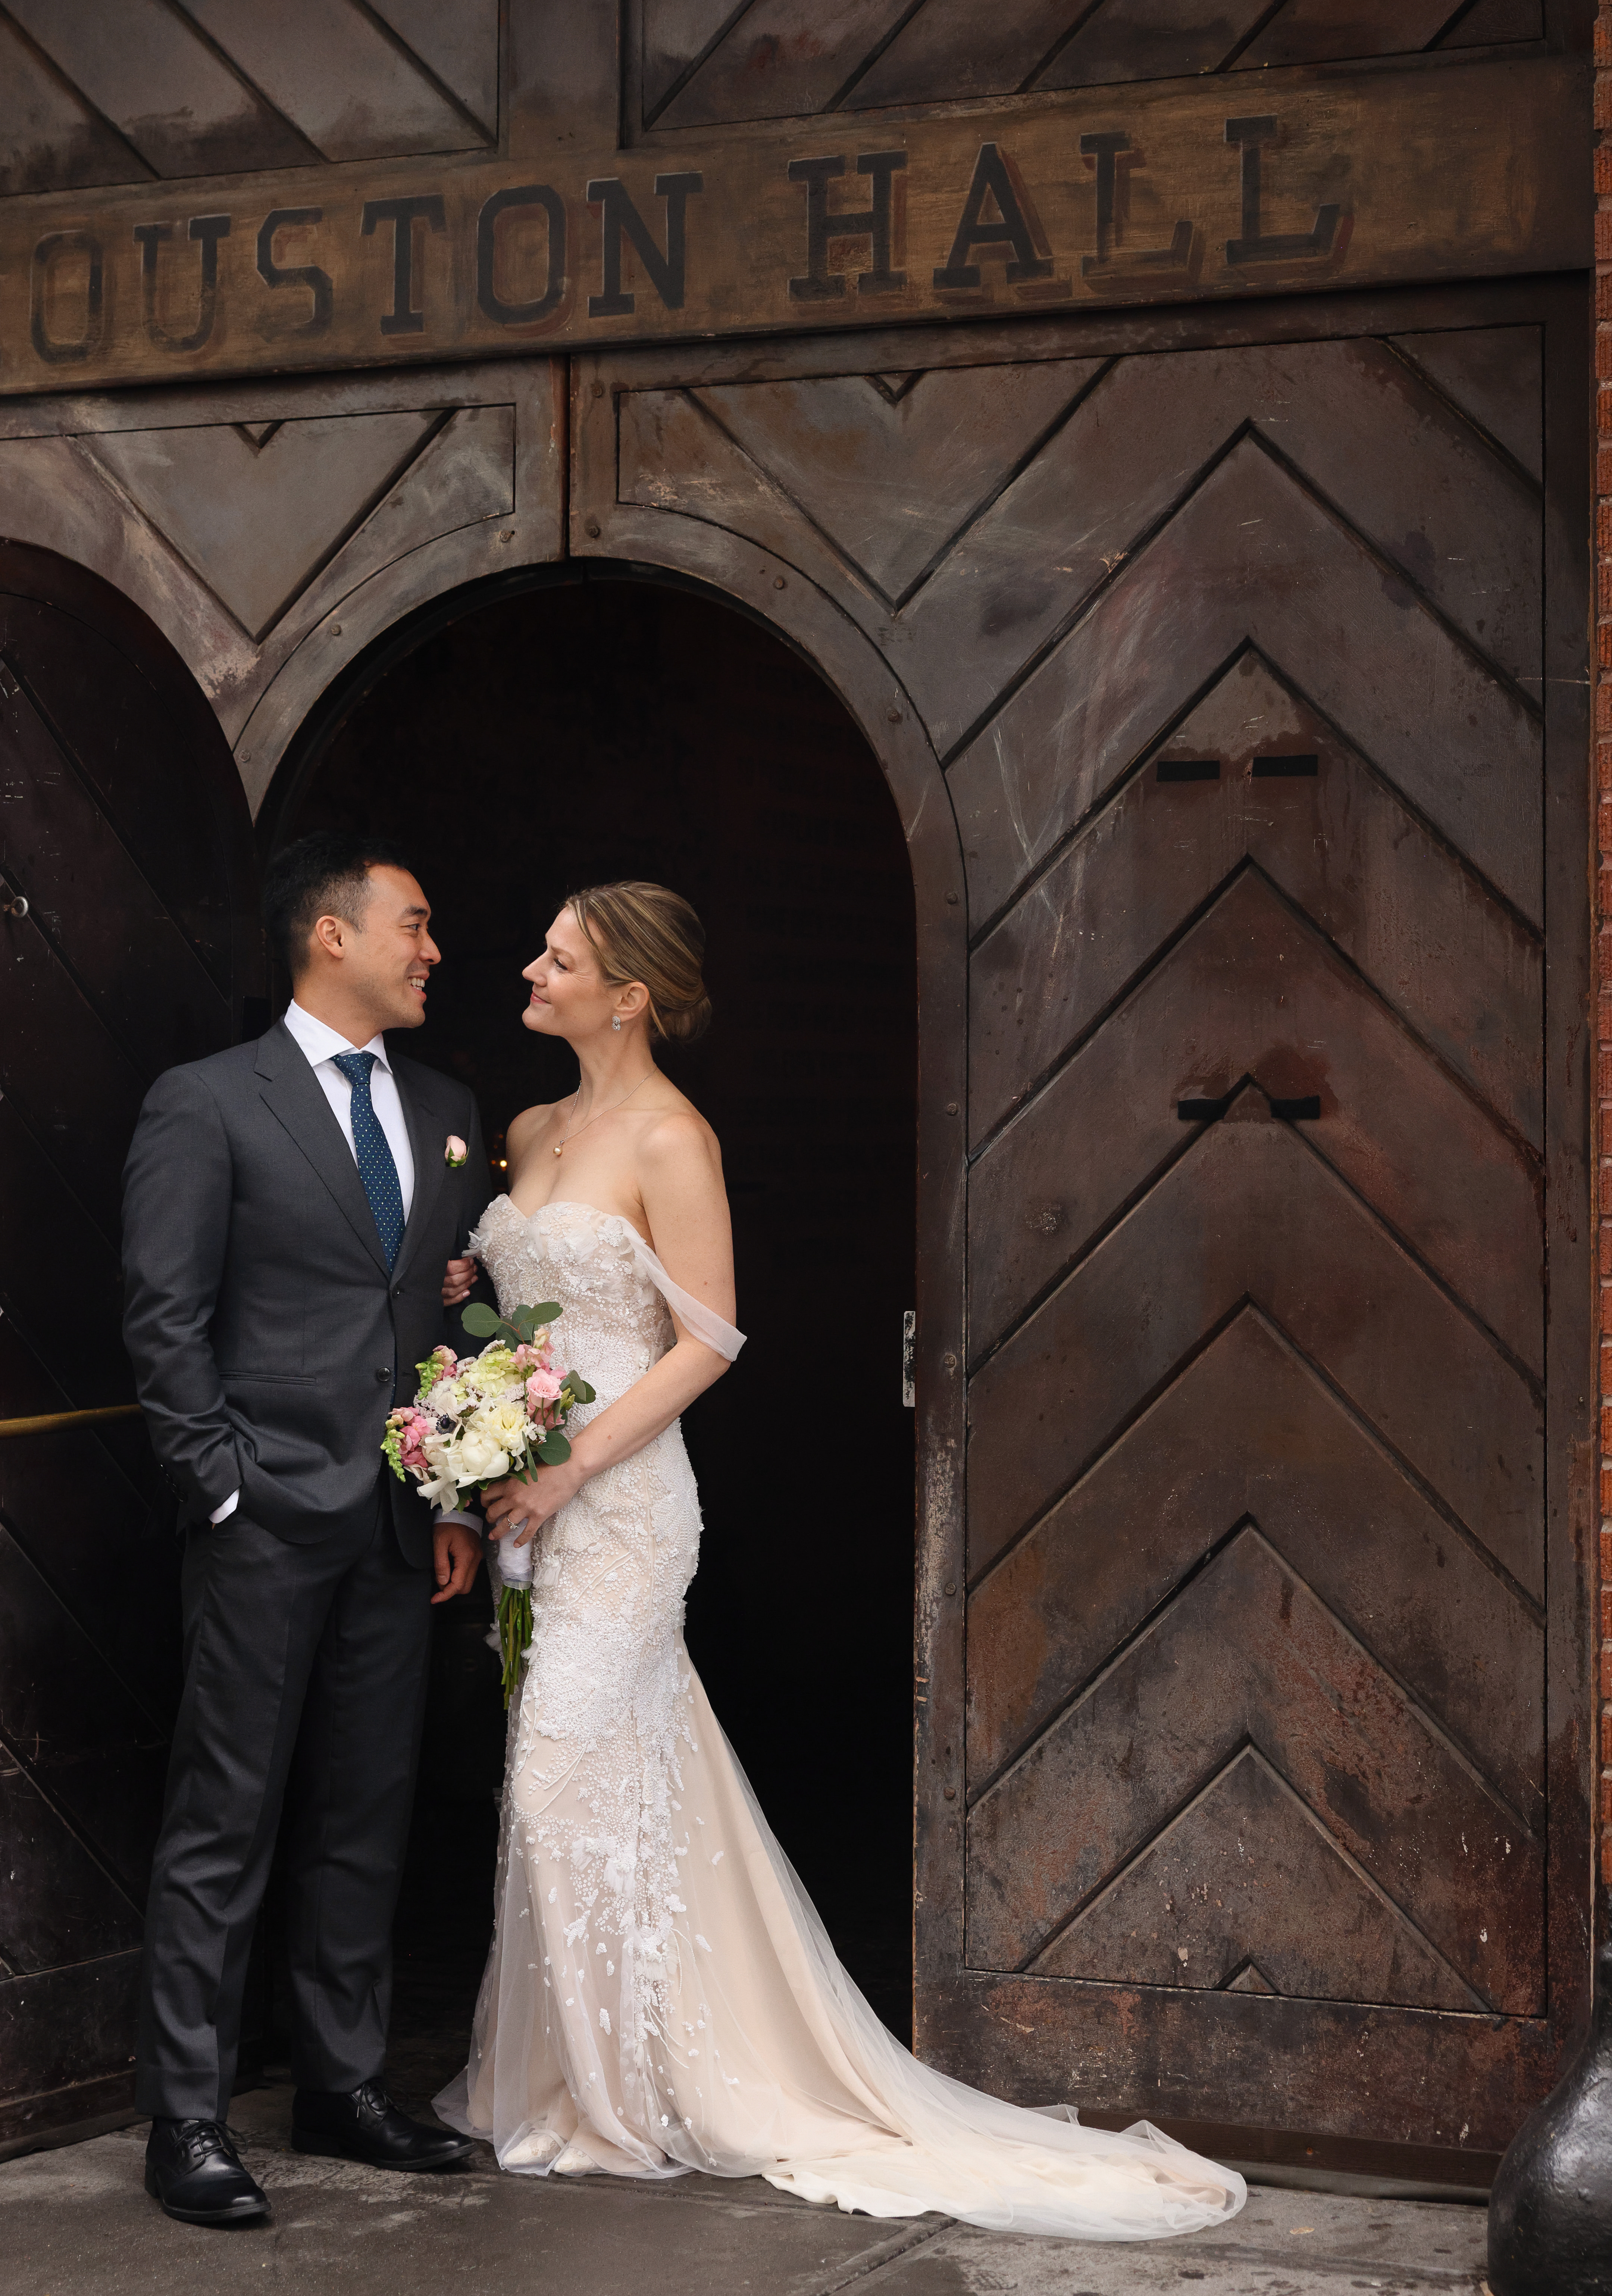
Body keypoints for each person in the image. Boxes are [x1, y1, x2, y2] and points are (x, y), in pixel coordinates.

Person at [435, 882, 1246, 2239]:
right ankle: (585, 2069)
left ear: (626, 994)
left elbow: (705, 1338)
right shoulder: (529, 1127)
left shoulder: (672, 1138)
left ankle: (629, 2100)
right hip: (533, 1511)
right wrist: (483, 1330)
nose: (528, 967)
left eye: (556, 957)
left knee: (552, 1788)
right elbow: (536, 1313)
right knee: (606, 1782)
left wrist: (574, 1463)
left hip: (623, 1508)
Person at [121, 833, 494, 2227]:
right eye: (414, 922)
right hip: (262, 1519)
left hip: (402, 1529)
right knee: (225, 1817)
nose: (432, 949)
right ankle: (189, 2115)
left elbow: (450, 1312)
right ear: (330, 938)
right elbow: (165, 1316)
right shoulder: (208, 1104)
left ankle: (340, 2086)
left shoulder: (451, 1104)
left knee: (364, 1814)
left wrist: (451, 1493)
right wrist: (219, 1484)